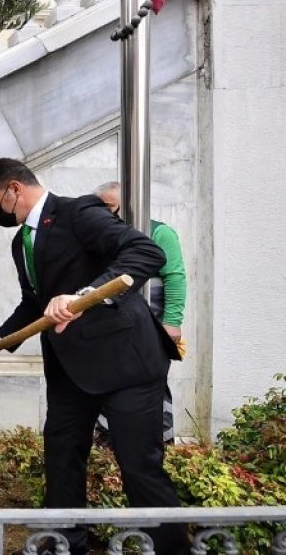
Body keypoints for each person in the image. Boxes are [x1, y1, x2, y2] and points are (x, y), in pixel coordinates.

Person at [0, 158, 189, 555]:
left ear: (14, 189)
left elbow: (145, 252)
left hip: (126, 363)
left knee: (140, 468)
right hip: (70, 370)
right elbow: (34, 304)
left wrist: (83, 295)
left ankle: (171, 550)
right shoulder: (23, 243)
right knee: (62, 459)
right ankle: (64, 546)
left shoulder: (78, 211)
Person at [93, 181, 186, 446]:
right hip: (111, 328)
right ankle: (108, 442)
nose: (103, 214)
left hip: (151, 326)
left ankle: (161, 441)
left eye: (109, 207)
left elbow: (175, 278)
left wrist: (172, 323)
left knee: (152, 381)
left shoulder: (160, 233)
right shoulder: (99, 236)